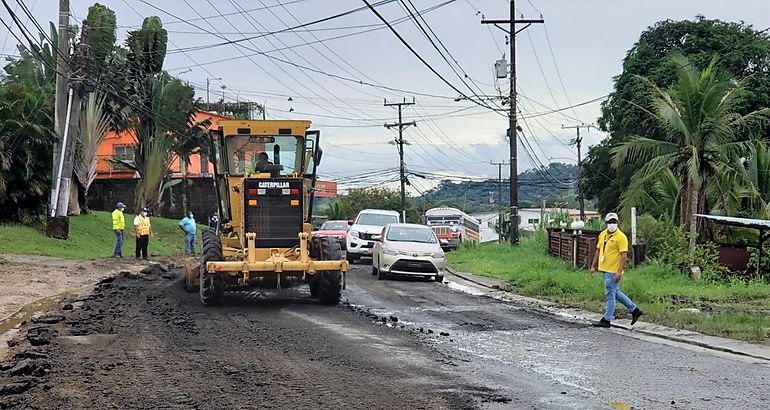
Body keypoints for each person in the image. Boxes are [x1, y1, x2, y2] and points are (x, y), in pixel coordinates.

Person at [589, 212, 643, 328]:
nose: (612, 224)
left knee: (610, 295)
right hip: (604, 268)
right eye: (610, 222)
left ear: (617, 223)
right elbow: (598, 251)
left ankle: (607, 319)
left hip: (613, 270)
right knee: (616, 293)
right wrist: (593, 266)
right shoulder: (603, 235)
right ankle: (634, 310)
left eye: (614, 222)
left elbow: (624, 255)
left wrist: (619, 271)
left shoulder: (621, 237)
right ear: (606, 223)